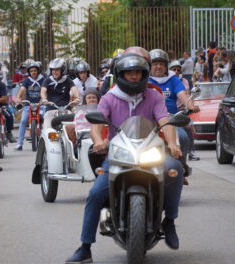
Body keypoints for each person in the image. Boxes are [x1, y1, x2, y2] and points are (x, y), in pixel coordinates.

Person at [65, 53, 185, 263]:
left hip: (150, 152)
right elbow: (97, 125)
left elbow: (166, 121)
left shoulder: (153, 96)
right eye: (129, 72)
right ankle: (85, 247)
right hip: (118, 155)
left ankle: (170, 221)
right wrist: (98, 141)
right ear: (120, 74)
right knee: (94, 193)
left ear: (143, 74)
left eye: (137, 72)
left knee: (175, 169)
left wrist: (173, 144)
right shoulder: (110, 97)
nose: (133, 76)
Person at [148, 49, 200, 184]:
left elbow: (182, 94)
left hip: (171, 118)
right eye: (155, 64)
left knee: (182, 137)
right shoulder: (145, 79)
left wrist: (190, 105)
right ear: (149, 65)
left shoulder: (173, 79)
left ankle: (180, 168)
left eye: (161, 64)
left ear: (166, 66)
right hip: (148, 120)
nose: (158, 66)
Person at [40, 58, 80, 129]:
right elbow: (43, 90)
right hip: (51, 110)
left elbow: (74, 90)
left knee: (74, 129)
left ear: (63, 70)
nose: (55, 72)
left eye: (57, 70)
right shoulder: (47, 80)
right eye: (53, 70)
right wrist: (44, 99)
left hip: (66, 110)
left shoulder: (68, 80)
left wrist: (78, 98)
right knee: (47, 129)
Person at [14, 62, 45, 151]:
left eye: (35, 70)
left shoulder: (43, 79)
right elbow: (22, 89)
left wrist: (44, 100)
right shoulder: (27, 80)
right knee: (23, 121)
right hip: (29, 105)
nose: (33, 72)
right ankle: (19, 144)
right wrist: (18, 98)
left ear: (38, 71)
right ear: (29, 72)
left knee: (46, 118)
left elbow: (45, 90)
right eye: (31, 71)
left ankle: (47, 140)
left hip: (41, 105)